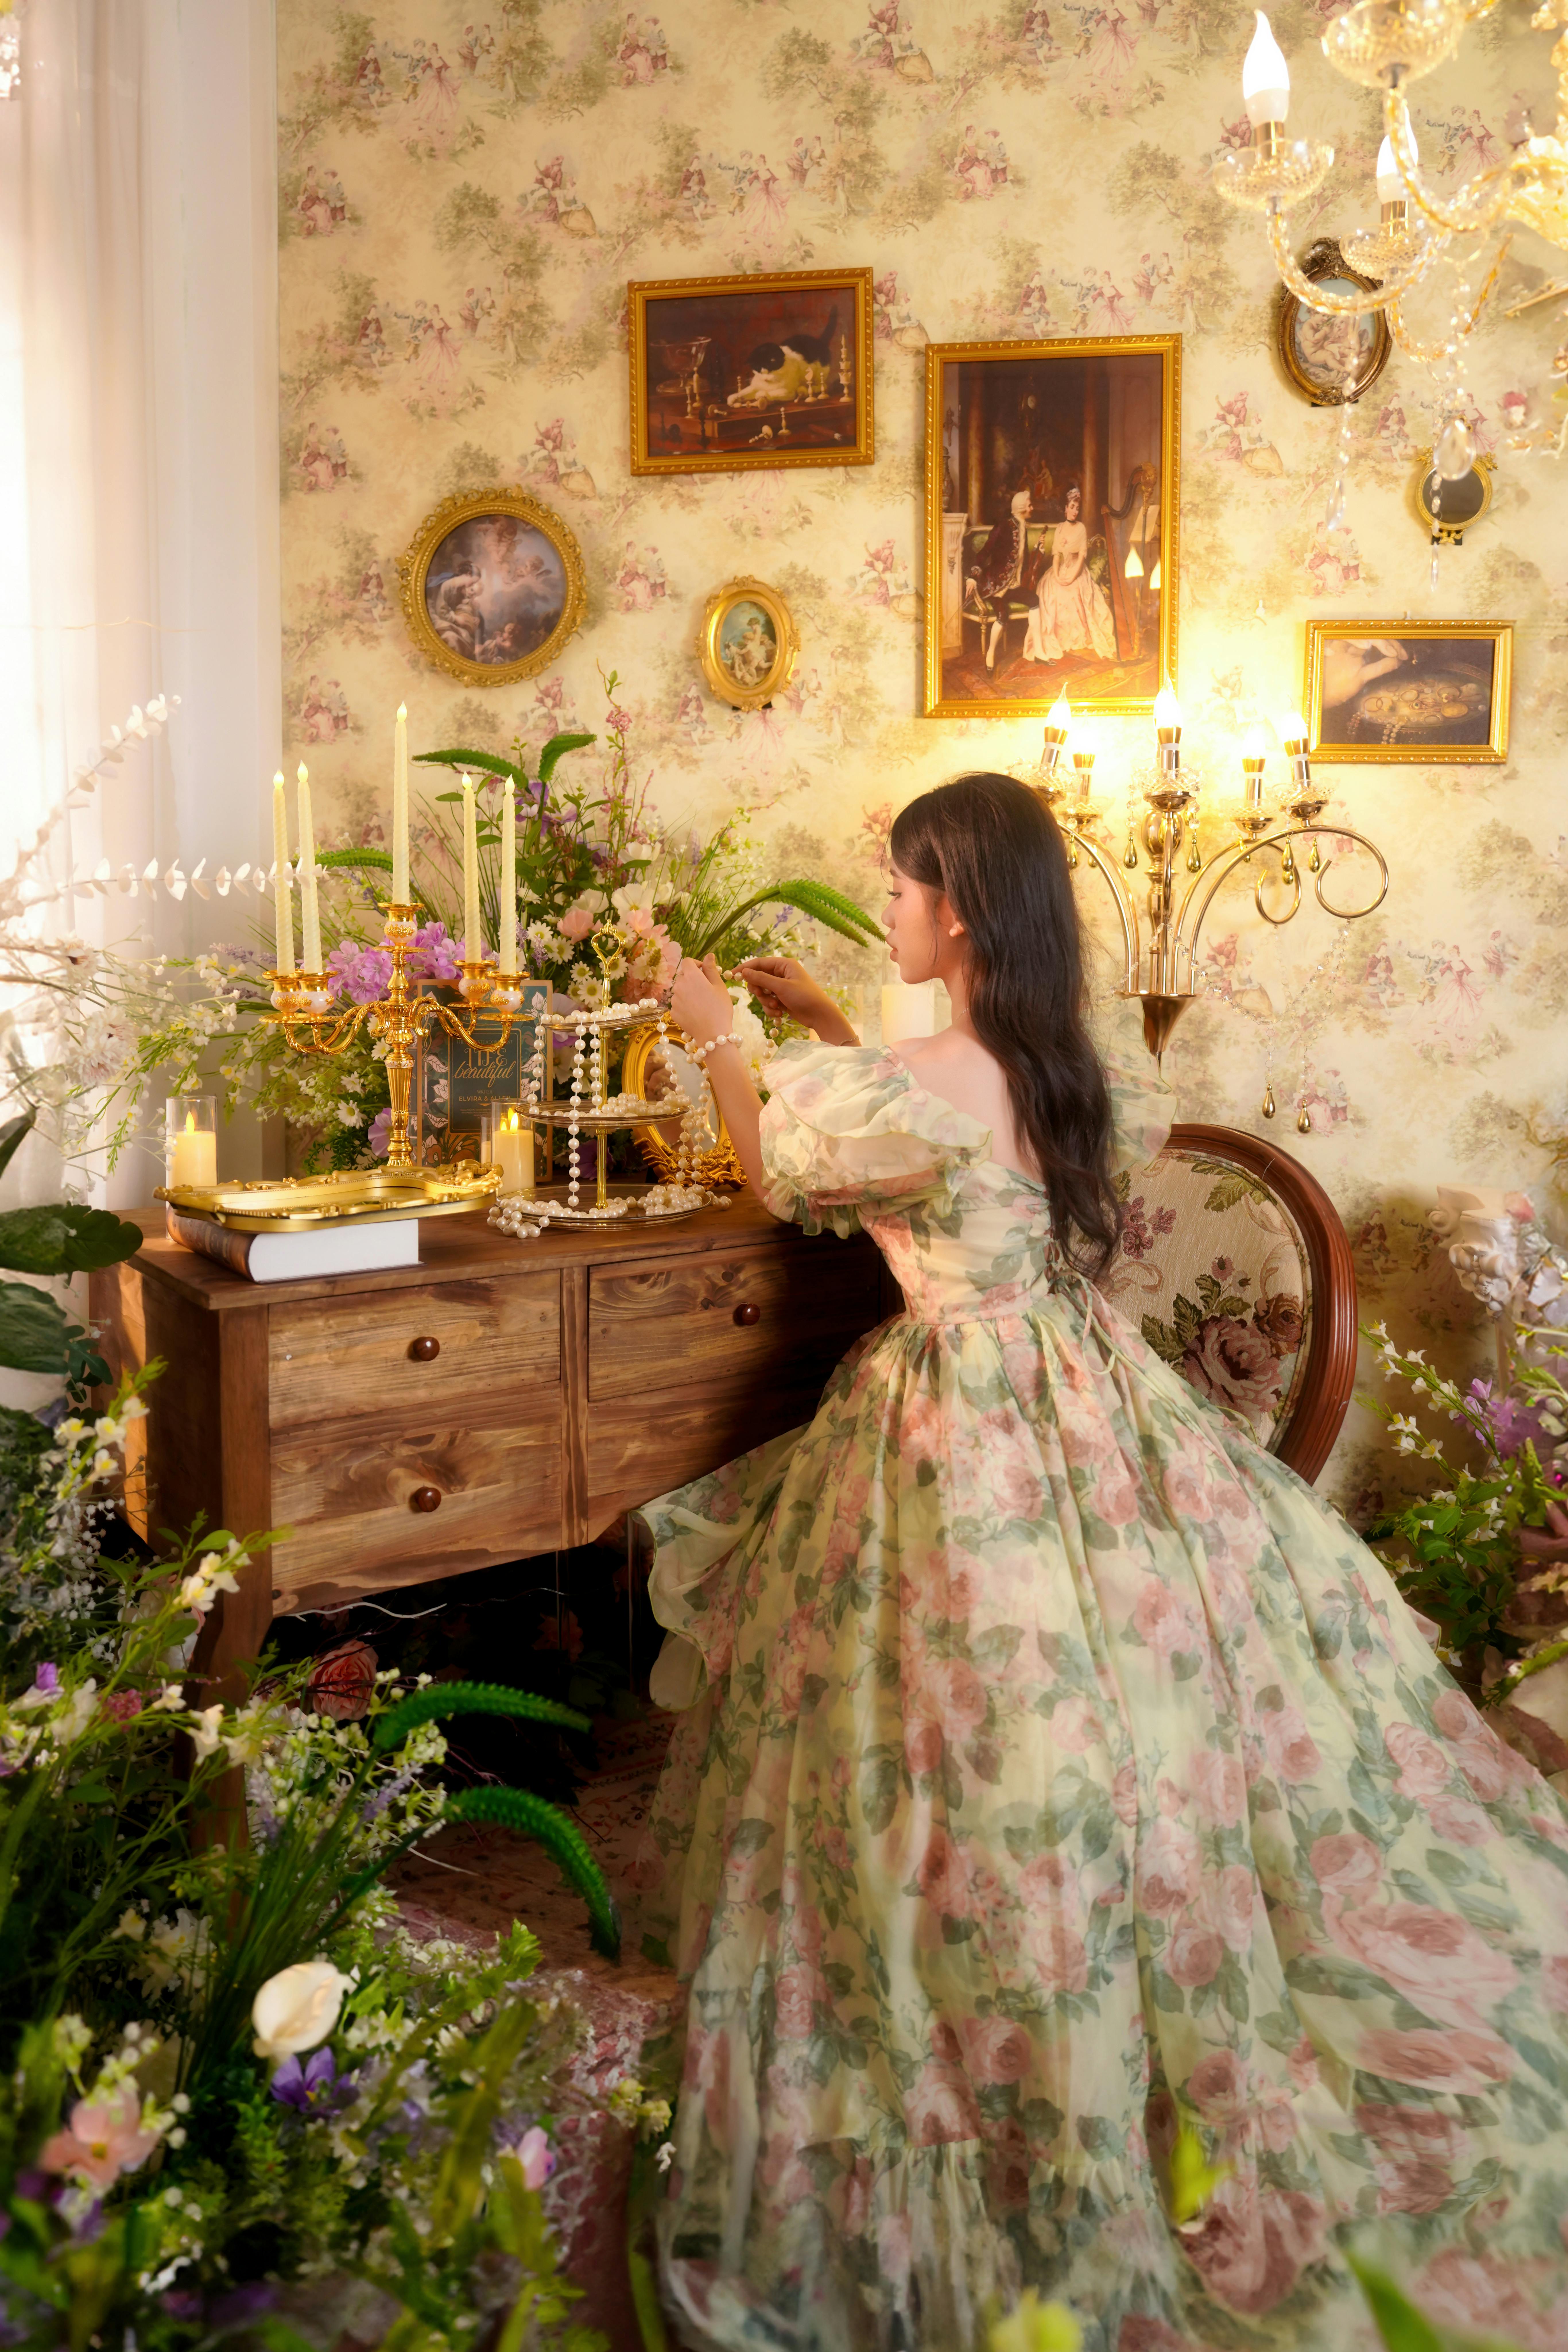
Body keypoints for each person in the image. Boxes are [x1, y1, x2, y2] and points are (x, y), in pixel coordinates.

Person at [636, 772, 1568, 2351]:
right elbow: (946, 1125)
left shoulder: (924, 1080)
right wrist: (821, 1017)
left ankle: (978, 2003)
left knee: (938, 1728)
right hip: (1086, 1387)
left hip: (955, 1416)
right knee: (1134, 1699)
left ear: (964, 907)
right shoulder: (1084, 1071)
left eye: (908, 882)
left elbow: (773, 1168)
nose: (892, 906)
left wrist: (715, 1016)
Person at [1023, 481, 1117, 664]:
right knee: (1051, 590)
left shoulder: (1081, 528)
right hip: (1061, 570)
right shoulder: (1059, 528)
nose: (1075, 511)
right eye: (1072, 507)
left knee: (1073, 592)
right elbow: (1056, 556)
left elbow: (1081, 558)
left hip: (1077, 571)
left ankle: (1076, 638)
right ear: (1066, 509)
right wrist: (1057, 576)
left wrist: (1072, 577)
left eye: (1077, 508)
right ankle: (1054, 639)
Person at [963, 486, 1034, 673]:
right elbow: (985, 551)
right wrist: (972, 577)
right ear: (1021, 508)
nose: (1032, 508)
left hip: (1013, 585)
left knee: (1036, 602)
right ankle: (991, 654)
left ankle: (1034, 647)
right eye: (1029, 505)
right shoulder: (1004, 526)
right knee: (1003, 615)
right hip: (995, 586)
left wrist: (1039, 553)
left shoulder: (1023, 528)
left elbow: (1023, 560)